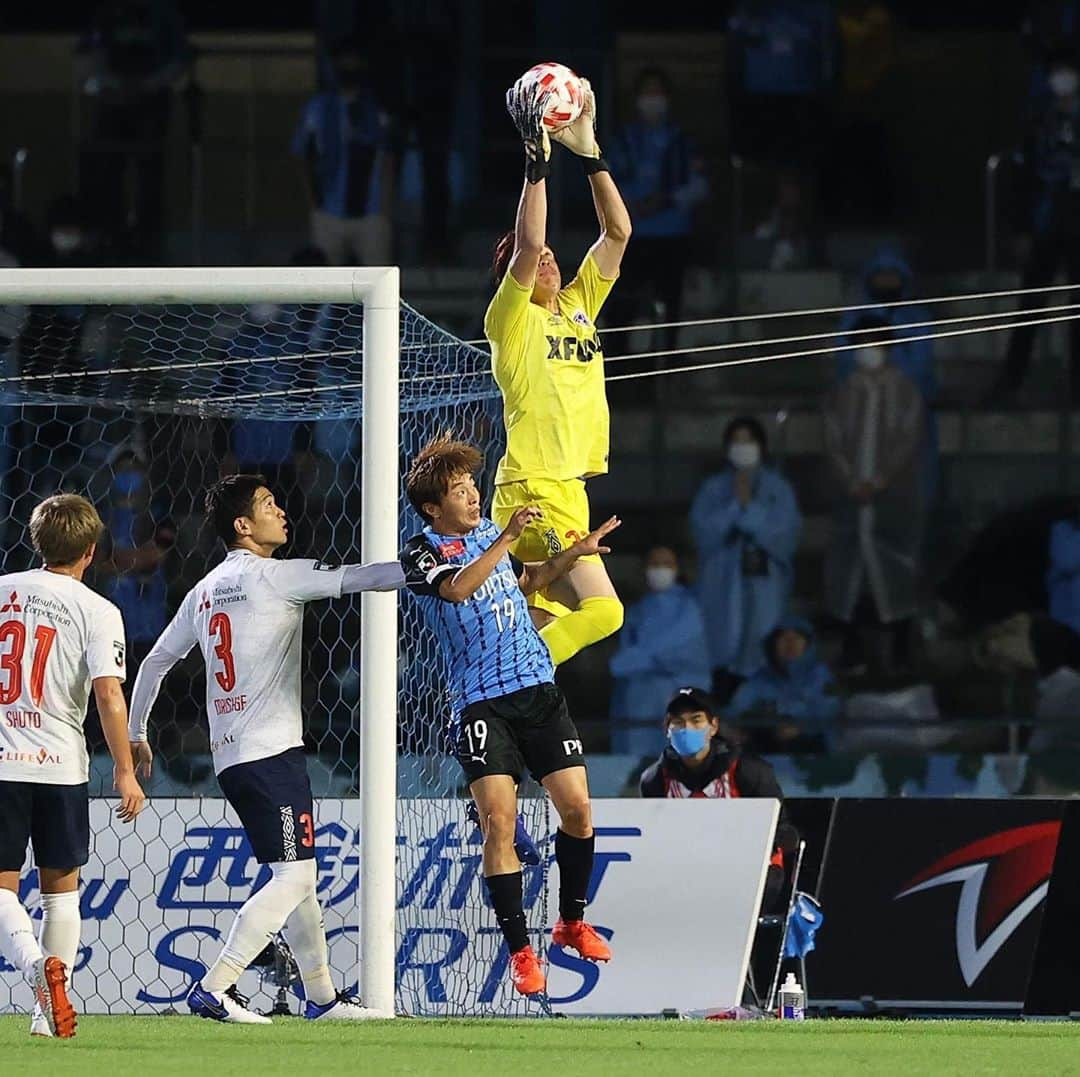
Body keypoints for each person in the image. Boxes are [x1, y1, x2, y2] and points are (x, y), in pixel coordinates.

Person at [127, 474, 405, 1022]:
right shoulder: (279, 577)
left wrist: (137, 734)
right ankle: (216, 986)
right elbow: (371, 577)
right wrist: (437, 563)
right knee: (295, 876)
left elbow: (155, 663)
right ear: (242, 525)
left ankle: (321, 1000)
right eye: (268, 505)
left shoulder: (203, 590)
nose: (281, 511)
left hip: (233, 758)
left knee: (294, 872)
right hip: (272, 754)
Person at [400, 435, 620, 997]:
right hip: (479, 705)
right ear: (433, 508)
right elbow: (457, 590)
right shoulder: (420, 554)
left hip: (537, 692)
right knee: (499, 822)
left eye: (473, 486)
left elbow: (523, 584)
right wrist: (505, 537)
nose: (474, 496)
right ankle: (522, 953)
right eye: (460, 491)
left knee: (577, 809)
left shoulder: (488, 540)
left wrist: (576, 554)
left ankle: (571, 923)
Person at [485, 71, 631, 669]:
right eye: (534, 259)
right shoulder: (510, 321)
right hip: (532, 490)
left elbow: (618, 232)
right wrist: (537, 165)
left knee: (557, 615)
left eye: (551, 255)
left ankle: (514, 668)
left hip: (569, 490)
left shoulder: (577, 306)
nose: (546, 257)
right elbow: (526, 243)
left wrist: (590, 154)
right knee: (605, 612)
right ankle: (520, 677)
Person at [0, 494, 145, 1039]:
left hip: (2, 764)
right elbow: (109, 696)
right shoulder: (98, 609)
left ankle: (36, 970)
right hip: (61, 765)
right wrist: (125, 769)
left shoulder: (2, 591)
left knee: (1, 892)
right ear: (90, 551)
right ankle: (45, 1014)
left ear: (36, 542)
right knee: (62, 893)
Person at [824, 313, 926, 675]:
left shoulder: (904, 389)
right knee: (849, 573)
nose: (867, 349)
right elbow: (832, 438)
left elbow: (908, 438)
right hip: (851, 498)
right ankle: (853, 650)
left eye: (874, 341)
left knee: (895, 570)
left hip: (892, 499)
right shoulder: (843, 390)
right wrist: (852, 481)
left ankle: (900, 650)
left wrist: (881, 480)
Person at [639, 687, 797, 911]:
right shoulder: (654, 780)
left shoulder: (748, 770)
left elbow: (782, 831)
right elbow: (653, 840)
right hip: (684, 874)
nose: (687, 729)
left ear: (713, 726)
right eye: (678, 722)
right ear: (667, 728)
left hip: (750, 872)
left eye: (696, 720)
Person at [986, 47, 1080, 402]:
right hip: (1048, 219)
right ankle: (1012, 377)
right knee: (1031, 300)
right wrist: (1021, 227)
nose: (1063, 79)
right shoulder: (1041, 119)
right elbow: (1025, 176)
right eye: (1058, 72)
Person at [689, 417, 801, 700]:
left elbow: (786, 535)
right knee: (723, 646)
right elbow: (702, 532)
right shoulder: (713, 489)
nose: (742, 448)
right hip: (721, 582)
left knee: (761, 644)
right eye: (736, 441)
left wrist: (749, 509)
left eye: (748, 441)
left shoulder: (778, 488)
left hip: (764, 583)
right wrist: (734, 507)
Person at [606, 68, 707, 349]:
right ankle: (618, 361)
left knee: (670, 301)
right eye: (647, 92)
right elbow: (606, 181)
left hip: (672, 233)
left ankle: (667, 359)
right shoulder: (624, 140)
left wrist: (667, 200)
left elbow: (700, 186)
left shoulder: (683, 142)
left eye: (657, 92)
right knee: (622, 302)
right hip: (630, 235)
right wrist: (631, 205)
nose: (652, 99)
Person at [292, 37, 397, 267]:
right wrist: (314, 206)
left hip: (371, 213)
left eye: (354, 64)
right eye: (344, 65)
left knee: (380, 287)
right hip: (328, 212)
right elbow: (302, 157)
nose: (349, 70)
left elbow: (387, 158)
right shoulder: (317, 109)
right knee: (325, 288)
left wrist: (385, 211)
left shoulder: (377, 109)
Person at [608, 546, 710, 753]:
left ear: (677, 568)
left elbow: (629, 660)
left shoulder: (690, 609)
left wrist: (631, 660)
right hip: (638, 702)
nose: (660, 570)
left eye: (666, 564)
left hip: (680, 695)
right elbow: (624, 664)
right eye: (654, 564)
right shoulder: (636, 611)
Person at [725, 618, 840, 752]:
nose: (790, 644)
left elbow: (829, 710)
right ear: (773, 644)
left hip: (811, 749)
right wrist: (734, 728)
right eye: (783, 638)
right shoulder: (761, 678)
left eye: (797, 638)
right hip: (766, 746)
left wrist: (801, 728)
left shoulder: (821, 676)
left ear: (808, 644)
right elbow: (737, 707)